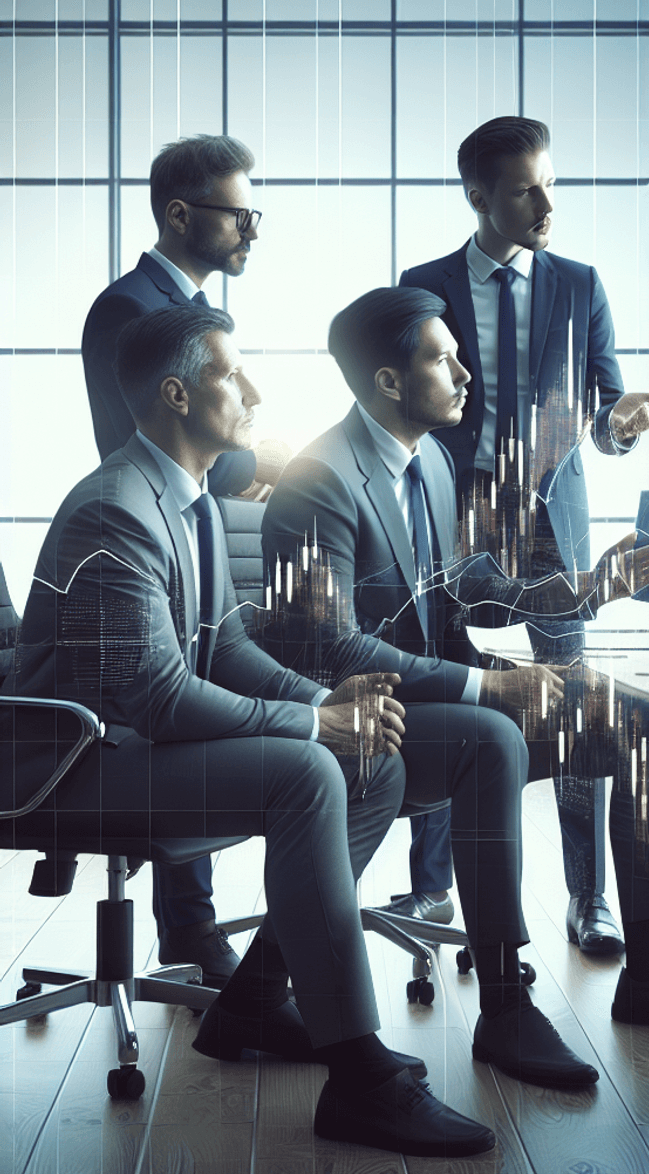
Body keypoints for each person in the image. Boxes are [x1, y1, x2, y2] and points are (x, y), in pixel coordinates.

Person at [13, 305, 495, 1157]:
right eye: (231, 374)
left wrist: (336, 712)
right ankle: (360, 1076)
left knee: (370, 765)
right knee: (310, 770)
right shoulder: (115, 510)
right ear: (175, 394)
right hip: (73, 762)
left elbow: (224, 647)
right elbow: (158, 698)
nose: (255, 390)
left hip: (132, 746)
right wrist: (318, 720)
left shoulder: (190, 497)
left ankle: (257, 999)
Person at [260, 288, 649, 1092]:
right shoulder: (317, 481)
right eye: (439, 357)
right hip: (365, 719)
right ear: (389, 382)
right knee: (492, 737)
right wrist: (490, 688)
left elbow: (466, 590)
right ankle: (503, 1006)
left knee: (630, 718)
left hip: (437, 691)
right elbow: (328, 645)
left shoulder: (426, 457)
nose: (465, 371)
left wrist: (585, 591)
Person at [397, 116, 649, 955]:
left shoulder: (580, 283)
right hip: (458, 510)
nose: (547, 202)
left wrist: (621, 428)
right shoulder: (425, 283)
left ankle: (588, 899)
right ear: (480, 197)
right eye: (526, 189)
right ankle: (433, 888)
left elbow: (606, 414)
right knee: (452, 687)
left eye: (551, 183)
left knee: (572, 702)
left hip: (552, 519)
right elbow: (411, 398)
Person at [80, 134, 289, 987]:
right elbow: (146, 447)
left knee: (225, 671)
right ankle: (191, 930)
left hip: (197, 525)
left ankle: (193, 928)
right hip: (156, 532)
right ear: (180, 213)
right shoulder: (131, 310)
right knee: (184, 696)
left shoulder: (188, 306)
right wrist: (258, 464)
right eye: (240, 213)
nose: (252, 230)